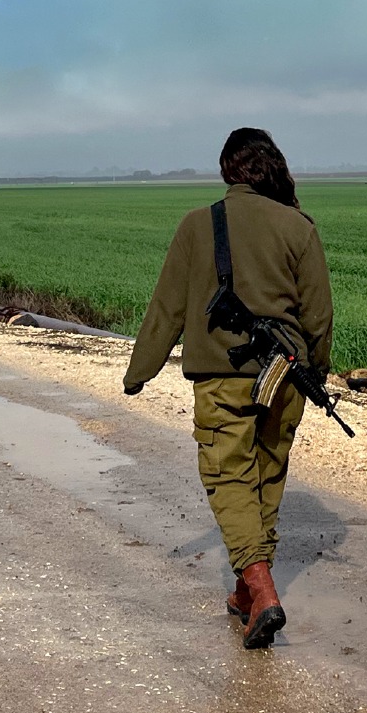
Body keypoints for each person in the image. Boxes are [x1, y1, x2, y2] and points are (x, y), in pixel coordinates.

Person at [123, 128, 333, 650]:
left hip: (222, 379)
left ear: (226, 170)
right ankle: (246, 593)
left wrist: (139, 371)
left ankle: (262, 592)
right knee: (266, 477)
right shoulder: (299, 227)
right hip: (286, 377)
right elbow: (319, 316)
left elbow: (167, 307)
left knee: (229, 477)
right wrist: (317, 373)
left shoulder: (198, 225)